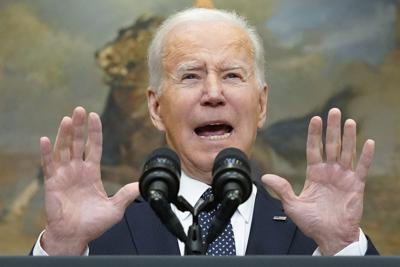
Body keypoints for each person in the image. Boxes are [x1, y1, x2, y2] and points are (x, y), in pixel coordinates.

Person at [32, 8, 378, 256]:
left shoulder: (313, 234)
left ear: (261, 105)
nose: (213, 94)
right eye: (190, 75)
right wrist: (62, 248)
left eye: (231, 75)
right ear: (155, 108)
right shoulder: (100, 234)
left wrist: (342, 246)